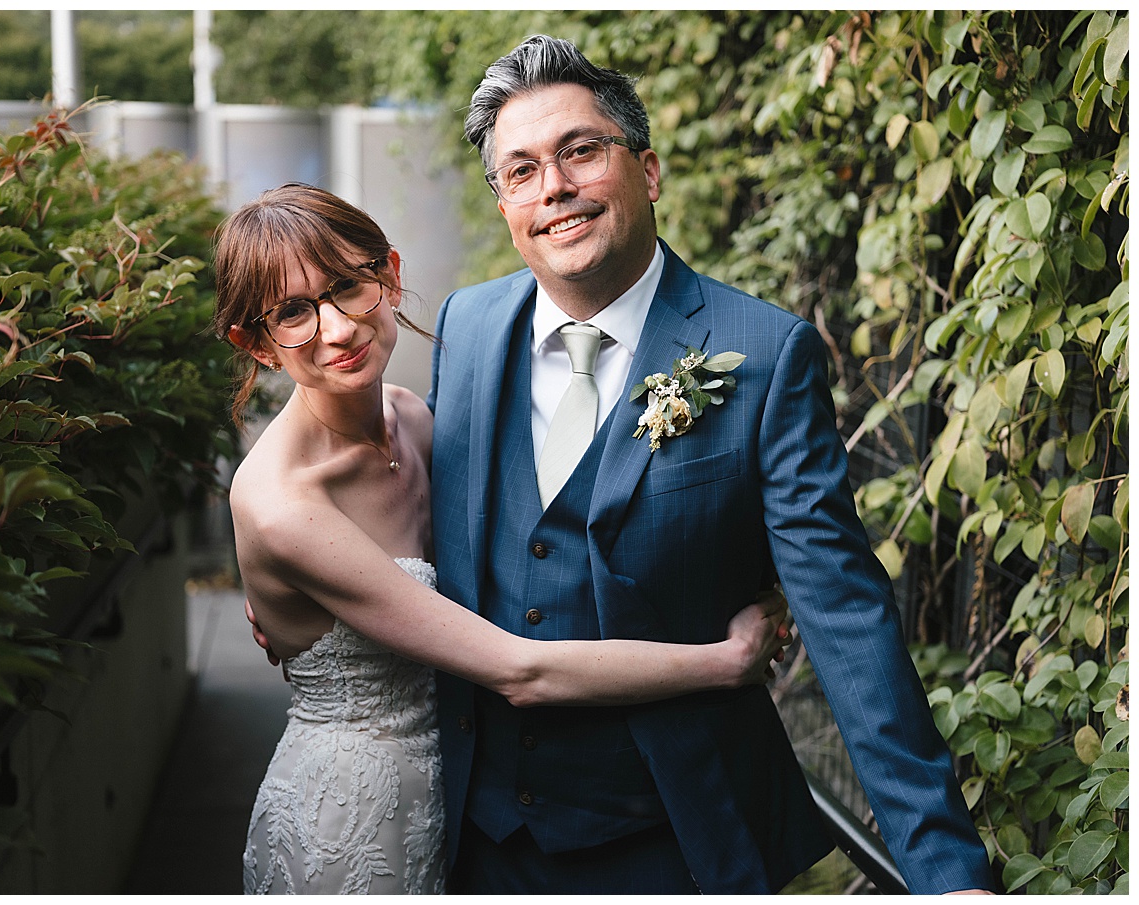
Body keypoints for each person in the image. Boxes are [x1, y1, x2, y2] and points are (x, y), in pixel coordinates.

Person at [420, 35, 996, 894]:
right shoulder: (468, 327)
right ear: (503, 199)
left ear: (647, 171)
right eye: (522, 169)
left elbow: (844, 614)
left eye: (582, 150)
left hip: (673, 839)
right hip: (474, 834)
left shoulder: (764, 355)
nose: (555, 189)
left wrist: (949, 876)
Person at [213, 183, 794, 894]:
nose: (336, 328)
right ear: (258, 343)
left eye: (347, 287)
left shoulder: (414, 418)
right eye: (293, 314)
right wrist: (727, 660)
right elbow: (519, 668)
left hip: (455, 803)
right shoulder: (281, 503)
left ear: (389, 277)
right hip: (348, 818)